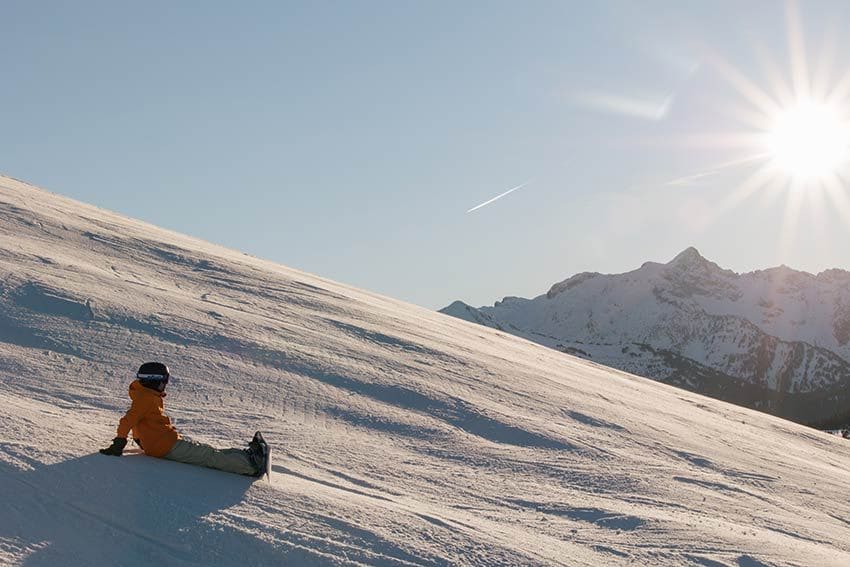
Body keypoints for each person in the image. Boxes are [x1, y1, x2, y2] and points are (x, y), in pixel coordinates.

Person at [100, 362, 268, 478]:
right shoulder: (146, 398)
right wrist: (119, 442)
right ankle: (251, 466)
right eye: (164, 380)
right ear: (154, 381)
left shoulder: (147, 394)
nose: (166, 384)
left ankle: (246, 457)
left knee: (206, 451)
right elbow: (128, 420)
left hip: (164, 441)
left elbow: (137, 420)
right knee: (207, 456)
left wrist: (139, 440)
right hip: (163, 445)